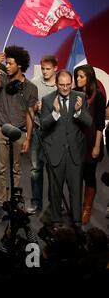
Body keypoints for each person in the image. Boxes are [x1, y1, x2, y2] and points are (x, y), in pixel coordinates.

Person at [40, 70, 92, 227]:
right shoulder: (48, 100)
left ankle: (76, 222)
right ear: (56, 84)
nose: (65, 88)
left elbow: (89, 122)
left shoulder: (80, 98)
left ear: (72, 83)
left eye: (68, 85)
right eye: (61, 85)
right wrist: (55, 113)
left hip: (75, 153)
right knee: (55, 191)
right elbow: (43, 125)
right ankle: (56, 222)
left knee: (76, 190)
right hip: (55, 152)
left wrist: (78, 111)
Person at [0, 45, 38, 212]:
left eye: (10, 63)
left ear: (19, 65)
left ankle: (15, 200)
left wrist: (28, 138)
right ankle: (1, 202)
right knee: (1, 168)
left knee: (16, 168)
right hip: (1, 129)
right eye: (6, 63)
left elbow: (30, 115)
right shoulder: (4, 79)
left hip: (19, 132)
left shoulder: (30, 88)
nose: (7, 66)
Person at [73, 65, 106, 225]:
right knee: (75, 176)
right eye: (77, 76)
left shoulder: (98, 96)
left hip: (92, 142)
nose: (78, 79)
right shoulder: (73, 93)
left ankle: (87, 208)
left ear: (89, 77)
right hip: (75, 142)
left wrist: (97, 145)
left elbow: (100, 123)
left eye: (81, 76)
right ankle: (77, 205)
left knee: (89, 176)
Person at [27, 55, 58, 214]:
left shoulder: (61, 84)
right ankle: (36, 202)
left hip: (55, 132)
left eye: (48, 69)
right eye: (43, 68)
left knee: (53, 169)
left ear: (55, 69)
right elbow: (30, 109)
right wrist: (35, 108)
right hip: (39, 130)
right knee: (35, 169)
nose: (45, 72)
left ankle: (54, 203)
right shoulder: (35, 83)